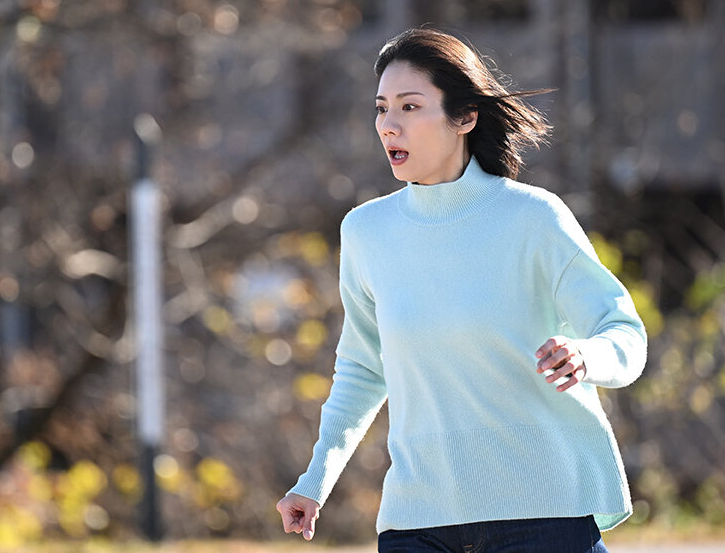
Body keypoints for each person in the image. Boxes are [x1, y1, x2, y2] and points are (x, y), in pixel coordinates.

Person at [276, 27, 647, 553]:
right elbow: (363, 367)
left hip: (542, 513)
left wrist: (586, 356)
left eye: (409, 107)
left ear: (465, 116)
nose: (388, 126)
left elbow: (624, 332)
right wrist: (314, 482)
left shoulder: (533, 217)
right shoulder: (365, 233)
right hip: (417, 519)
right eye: (382, 109)